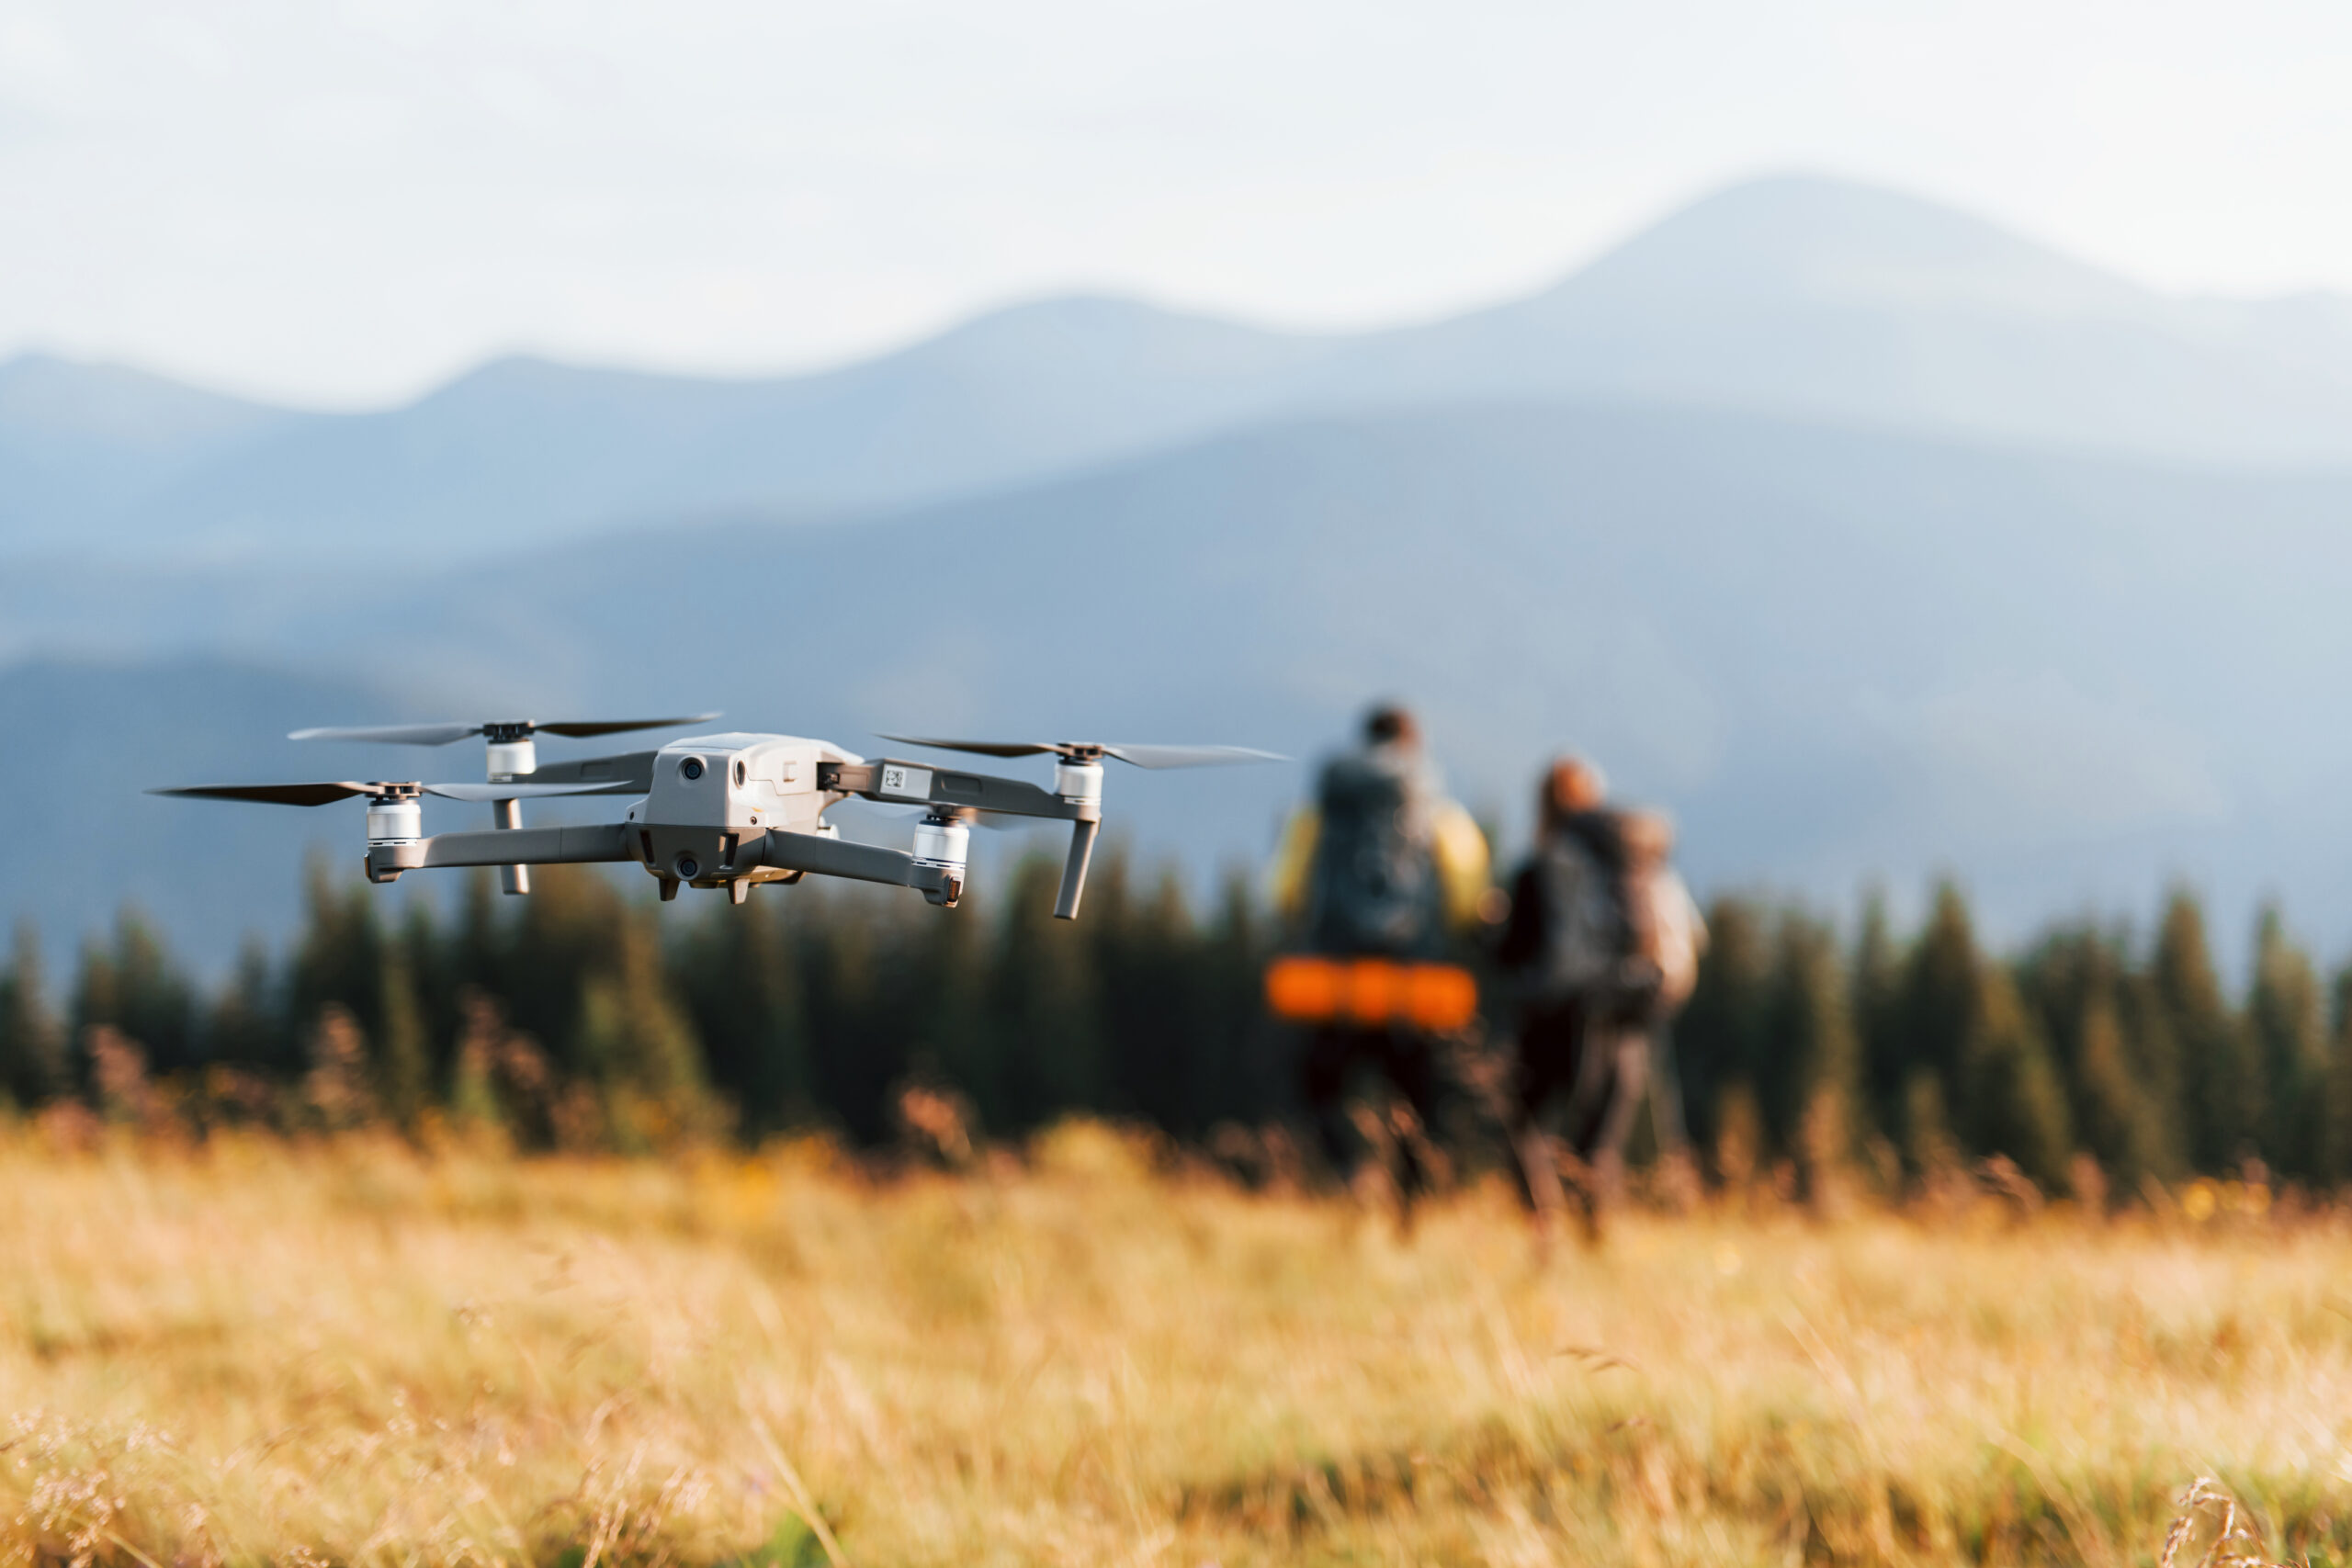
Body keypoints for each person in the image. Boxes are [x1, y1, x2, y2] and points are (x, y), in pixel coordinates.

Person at [1269, 704, 1490, 1205]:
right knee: (1416, 1097)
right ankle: (1412, 1202)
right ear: (1415, 745)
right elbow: (1468, 896)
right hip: (1414, 980)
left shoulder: (1322, 809)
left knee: (1321, 1087)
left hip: (1336, 979)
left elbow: (1284, 891)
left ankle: (1349, 1174)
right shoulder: (1438, 811)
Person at [1493, 757, 1703, 1241]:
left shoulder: (1546, 866)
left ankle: (1542, 1226)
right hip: (1634, 1006)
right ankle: (1596, 1233)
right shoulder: (1637, 856)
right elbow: (1692, 931)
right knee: (1599, 1139)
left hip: (1565, 1011)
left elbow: (1514, 949)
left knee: (1523, 1121)